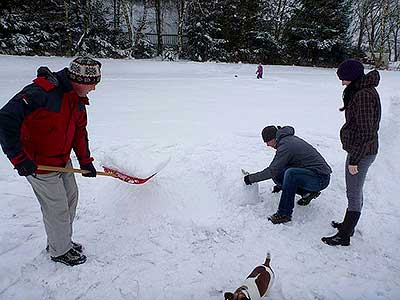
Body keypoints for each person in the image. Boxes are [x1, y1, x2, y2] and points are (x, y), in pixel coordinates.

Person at [0, 56, 102, 266]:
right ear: (80, 79)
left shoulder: (76, 99)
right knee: (57, 207)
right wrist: (19, 158)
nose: (94, 89)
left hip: (61, 159)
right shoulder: (41, 93)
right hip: (38, 163)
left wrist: (85, 161)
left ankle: (60, 240)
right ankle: (60, 251)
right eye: (93, 83)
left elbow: (79, 133)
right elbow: (5, 119)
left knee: (71, 198)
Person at [322, 59, 381, 246]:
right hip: (361, 150)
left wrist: (354, 160)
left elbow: (366, 132)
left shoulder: (363, 95)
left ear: (353, 77)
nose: (342, 83)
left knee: (353, 192)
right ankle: (348, 226)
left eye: (344, 79)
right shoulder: (361, 90)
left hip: (362, 152)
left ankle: (344, 235)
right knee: (356, 190)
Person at [243, 125, 332, 224]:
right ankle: (307, 193)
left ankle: (284, 214)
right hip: (311, 174)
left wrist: (250, 179)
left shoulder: (286, 145)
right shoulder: (286, 140)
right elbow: (280, 167)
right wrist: (282, 184)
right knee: (279, 174)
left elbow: (272, 170)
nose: (267, 145)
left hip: (320, 179)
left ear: (274, 138)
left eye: (267, 141)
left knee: (290, 174)